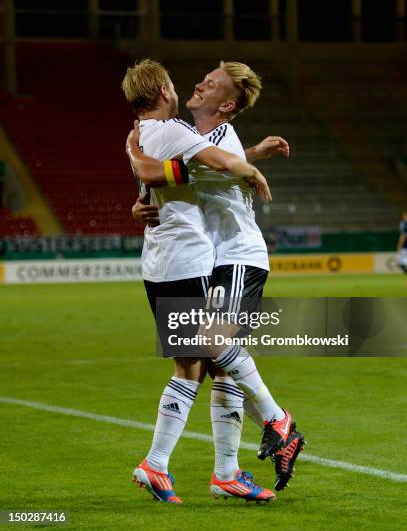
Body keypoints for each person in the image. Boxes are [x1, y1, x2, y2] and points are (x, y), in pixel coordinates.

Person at [125, 60, 305, 501]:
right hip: (212, 260)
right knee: (215, 364)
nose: (199, 82)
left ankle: (272, 420)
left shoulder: (217, 134)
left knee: (210, 347)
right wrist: (140, 201)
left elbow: (212, 161)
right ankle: (226, 470)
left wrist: (250, 164)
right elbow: (180, 169)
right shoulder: (187, 131)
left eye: (212, 83)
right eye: (202, 77)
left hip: (236, 255)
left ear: (226, 103)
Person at [397, 210, 407, 275]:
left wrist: (399, 245)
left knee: (402, 261)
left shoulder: (403, 224)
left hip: (405, 246)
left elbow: (403, 236)